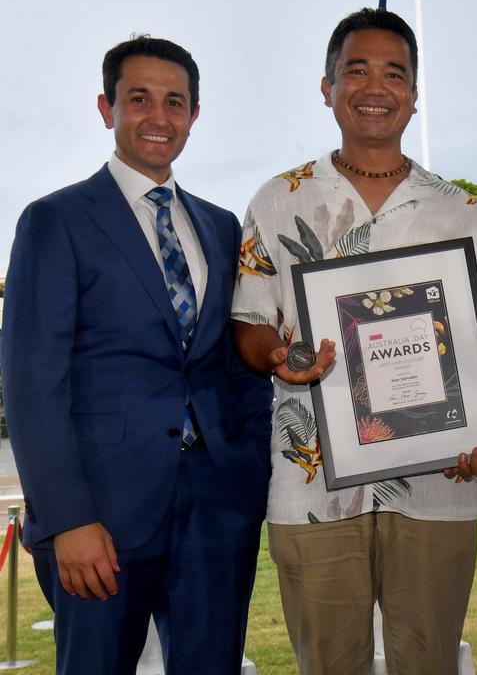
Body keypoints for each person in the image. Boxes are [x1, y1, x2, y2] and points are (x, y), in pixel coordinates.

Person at [231, 7, 477, 675]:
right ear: (327, 86)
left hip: (437, 482)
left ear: (415, 94)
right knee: (329, 664)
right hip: (311, 483)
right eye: (356, 70)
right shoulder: (279, 200)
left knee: (428, 662)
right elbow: (248, 320)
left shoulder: (459, 210)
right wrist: (278, 355)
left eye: (395, 73)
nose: (375, 86)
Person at [0, 36, 273, 674]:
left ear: (194, 115)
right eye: (139, 99)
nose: (159, 117)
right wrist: (67, 519)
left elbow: (236, 366)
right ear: (107, 108)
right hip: (100, 517)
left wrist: (249, 476)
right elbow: (33, 383)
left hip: (216, 508)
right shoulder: (54, 220)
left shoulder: (220, 226)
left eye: (175, 102)